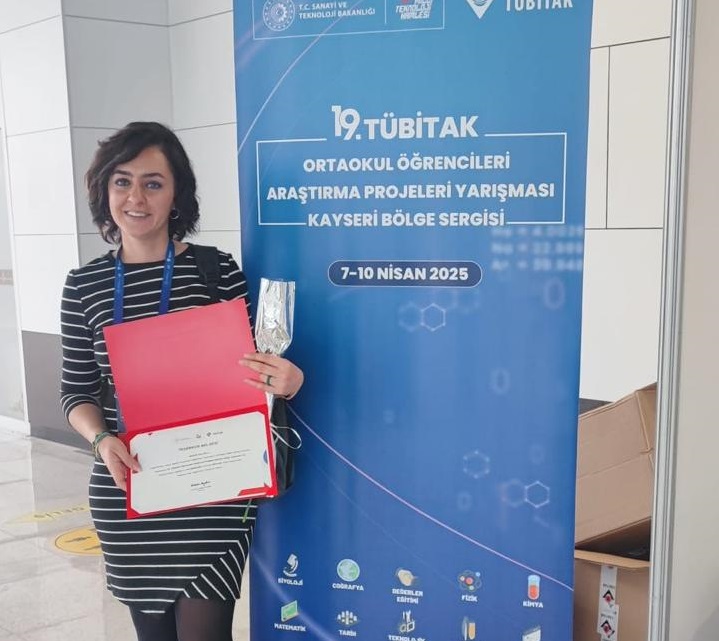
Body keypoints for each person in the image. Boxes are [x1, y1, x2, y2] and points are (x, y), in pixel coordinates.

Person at [60, 121, 304, 641]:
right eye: (122, 181)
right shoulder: (83, 286)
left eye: (153, 183)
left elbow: (253, 372)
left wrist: (285, 379)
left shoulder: (216, 272)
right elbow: (75, 392)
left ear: (176, 195)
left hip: (211, 489)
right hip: (131, 487)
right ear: (104, 191)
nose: (136, 197)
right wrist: (101, 440)